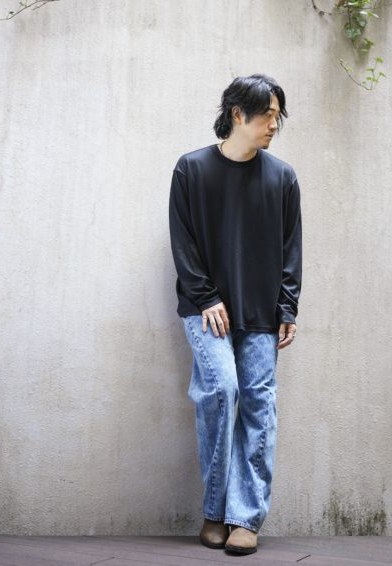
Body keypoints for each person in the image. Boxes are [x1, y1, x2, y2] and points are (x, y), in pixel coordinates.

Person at [168, 73, 302, 555]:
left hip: (262, 314)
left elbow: (291, 249)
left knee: (259, 404)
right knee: (222, 390)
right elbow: (183, 244)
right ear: (238, 114)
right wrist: (206, 297)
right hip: (207, 311)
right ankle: (214, 509)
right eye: (268, 115)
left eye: (278, 116)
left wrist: (288, 306)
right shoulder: (191, 169)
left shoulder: (282, 177)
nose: (275, 124)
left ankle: (245, 519)